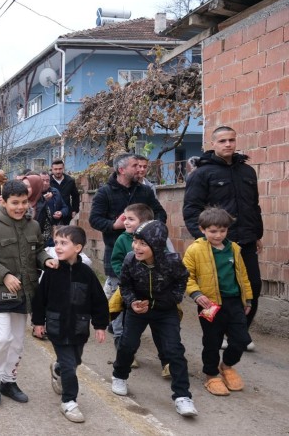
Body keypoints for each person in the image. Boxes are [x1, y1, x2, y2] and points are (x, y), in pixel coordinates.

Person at [0, 180, 58, 406]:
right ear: (4, 202)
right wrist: (4, 275)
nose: (20, 207)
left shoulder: (33, 226)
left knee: (17, 342)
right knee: (2, 338)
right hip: (1, 292)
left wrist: (46, 260)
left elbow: (38, 250)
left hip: (25, 293)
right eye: (15, 203)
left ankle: (8, 381)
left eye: (24, 202)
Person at [183, 126, 262, 344]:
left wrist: (257, 234)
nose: (228, 144)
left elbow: (254, 206)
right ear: (213, 144)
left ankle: (239, 331)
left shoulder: (247, 171)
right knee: (219, 289)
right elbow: (191, 209)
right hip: (217, 244)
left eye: (231, 140)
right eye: (222, 141)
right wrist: (203, 239)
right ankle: (221, 333)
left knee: (253, 286)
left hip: (246, 241)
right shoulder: (202, 173)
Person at [111, 221, 198, 417]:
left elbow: (182, 279)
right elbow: (125, 286)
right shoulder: (130, 260)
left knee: (174, 350)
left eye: (143, 243)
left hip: (165, 311)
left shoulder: (172, 261)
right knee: (127, 344)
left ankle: (183, 396)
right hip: (137, 310)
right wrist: (132, 302)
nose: (136, 247)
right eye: (135, 241)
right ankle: (119, 376)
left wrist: (173, 299)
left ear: (157, 245)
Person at [32, 226, 107, 423]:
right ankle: (69, 401)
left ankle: (57, 369)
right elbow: (40, 299)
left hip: (79, 328)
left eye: (63, 243)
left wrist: (100, 325)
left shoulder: (87, 274)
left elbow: (99, 301)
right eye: (56, 242)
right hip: (57, 327)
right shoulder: (51, 272)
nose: (57, 247)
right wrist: (38, 322)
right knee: (69, 366)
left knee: (75, 361)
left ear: (78, 247)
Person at [183, 207, 253, 396]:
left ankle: (227, 366)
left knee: (241, 339)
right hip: (209, 305)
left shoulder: (234, 248)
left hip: (235, 303)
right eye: (213, 231)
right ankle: (211, 374)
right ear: (202, 229)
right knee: (212, 341)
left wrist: (248, 299)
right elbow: (186, 276)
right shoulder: (195, 249)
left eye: (223, 230)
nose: (218, 235)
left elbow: (243, 275)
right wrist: (196, 294)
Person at [89, 153, 166, 304]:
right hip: (116, 252)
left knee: (142, 297)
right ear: (122, 170)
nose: (139, 169)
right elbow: (94, 220)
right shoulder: (105, 192)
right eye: (135, 166)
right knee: (118, 300)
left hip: (146, 252)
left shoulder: (145, 191)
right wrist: (114, 225)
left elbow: (160, 213)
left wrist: (152, 229)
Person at [109, 204, 156, 370]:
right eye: (125, 218)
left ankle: (132, 348)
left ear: (144, 223)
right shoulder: (122, 239)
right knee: (118, 312)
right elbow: (115, 260)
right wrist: (124, 276)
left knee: (135, 317)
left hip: (143, 286)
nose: (125, 222)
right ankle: (120, 343)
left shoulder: (155, 239)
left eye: (130, 219)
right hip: (123, 283)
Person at [36, 172, 68, 247]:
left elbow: (65, 207)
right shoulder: (34, 194)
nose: (45, 183)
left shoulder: (55, 192)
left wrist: (61, 213)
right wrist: (44, 200)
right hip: (39, 233)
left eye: (47, 180)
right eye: (42, 180)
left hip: (53, 232)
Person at [49, 159, 80, 224]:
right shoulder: (48, 181)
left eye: (60, 169)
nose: (58, 171)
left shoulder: (70, 181)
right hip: (51, 215)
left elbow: (75, 196)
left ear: (63, 168)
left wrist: (74, 210)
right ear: (52, 169)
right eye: (55, 169)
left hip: (66, 215)